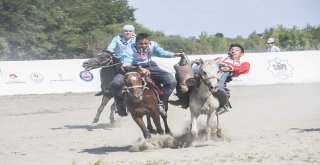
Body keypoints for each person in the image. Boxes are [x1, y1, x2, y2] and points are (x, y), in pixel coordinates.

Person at [110, 32, 184, 116]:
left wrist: (175, 54)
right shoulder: (129, 49)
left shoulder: (153, 45)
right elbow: (126, 65)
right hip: (131, 68)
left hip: (149, 66)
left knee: (171, 81)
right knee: (115, 83)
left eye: (146, 43)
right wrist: (139, 68)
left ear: (149, 42)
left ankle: (161, 103)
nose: (144, 45)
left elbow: (161, 52)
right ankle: (120, 105)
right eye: (141, 44)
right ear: (136, 42)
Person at [95, 24, 136, 117]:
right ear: (123, 31)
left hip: (132, 61)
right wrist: (109, 52)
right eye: (126, 31)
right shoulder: (117, 38)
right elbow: (110, 47)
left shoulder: (137, 39)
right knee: (103, 70)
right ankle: (104, 88)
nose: (128, 32)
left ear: (133, 32)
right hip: (117, 60)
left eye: (130, 31)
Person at [214, 43, 250, 115]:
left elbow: (243, 69)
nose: (233, 51)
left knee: (225, 72)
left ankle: (224, 105)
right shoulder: (221, 59)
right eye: (231, 50)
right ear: (228, 52)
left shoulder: (242, 64)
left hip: (221, 79)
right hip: (210, 75)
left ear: (241, 54)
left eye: (236, 50)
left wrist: (229, 67)